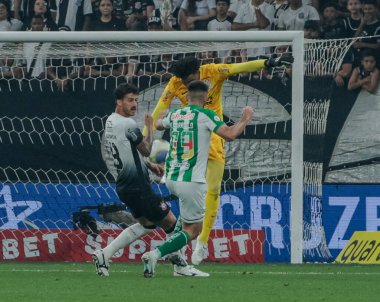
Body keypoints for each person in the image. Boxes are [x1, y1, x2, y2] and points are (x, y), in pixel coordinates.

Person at [144, 54, 293, 265]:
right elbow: (159, 109)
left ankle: (200, 244)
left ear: (198, 72)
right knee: (191, 196)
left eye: (189, 80)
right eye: (183, 82)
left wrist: (268, 62)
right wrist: (145, 137)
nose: (185, 85)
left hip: (214, 136)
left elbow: (238, 67)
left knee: (213, 191)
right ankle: (178, 248)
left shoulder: (214, 71)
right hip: (190, 141)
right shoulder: (175, 82)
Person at [92, 83, 209, 277]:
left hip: (124, 185)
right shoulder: (127, 124)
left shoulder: (110, 121)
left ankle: (105, 254)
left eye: (136, 100)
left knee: (147, 224)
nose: (134, 104)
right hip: (138, 186)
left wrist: (148, 165)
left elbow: (125, 152)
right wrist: (149, 126)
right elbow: (146, 149)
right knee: (172, 223)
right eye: (130, 100)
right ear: (118, 102)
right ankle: (179, 266)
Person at [141, 80, 254, 277]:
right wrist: (245, 118)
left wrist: (156, 120)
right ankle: (155, 254)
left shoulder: (176, 114)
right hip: (191, 181)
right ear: (207, 98)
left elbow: (159, 123)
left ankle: (179, 264)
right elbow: (230, 134)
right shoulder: (206, 115)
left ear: (186, 96)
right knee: (194, 229)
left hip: (171, 178)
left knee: (184, 219)